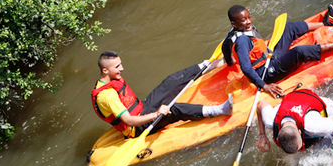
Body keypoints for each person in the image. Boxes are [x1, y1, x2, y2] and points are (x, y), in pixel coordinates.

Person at [222, 5, 333, 99]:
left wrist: (229, 62)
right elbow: (246, 68)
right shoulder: (242, 41)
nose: (248, 22)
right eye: (243, 20)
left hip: (269, 58)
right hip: (266, 73)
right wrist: (264, 86)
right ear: (234, 24)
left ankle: (327, 24)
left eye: (249, 17)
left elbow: (225, 47)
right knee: (298, 51)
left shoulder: (234, 32)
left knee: (288, 28)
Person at [91, 51, 233, 137]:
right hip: (136, 128)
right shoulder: (107, 96)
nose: (121, 68)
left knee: (169, 82)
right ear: (105, 71)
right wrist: (156, 114)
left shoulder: (111, 77)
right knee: (174, 109)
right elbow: (129, 121)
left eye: (120, 64)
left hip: (142, 107)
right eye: (117, 67)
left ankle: (208, 65)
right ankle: (220, 110)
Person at [255, 88, 333, 166]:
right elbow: (260, 104)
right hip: (300, 102)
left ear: (300, 132)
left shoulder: (314, 126)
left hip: (326, 107)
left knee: (321, 155)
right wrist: (262, 135)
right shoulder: (270, 120)